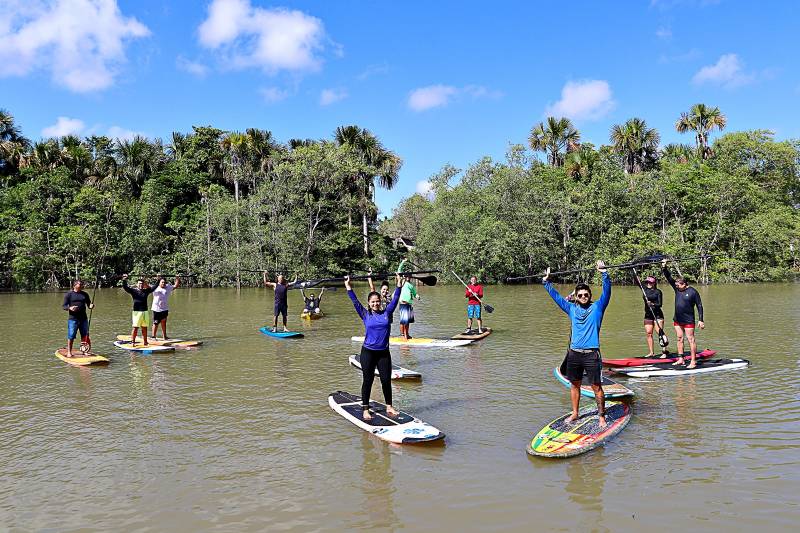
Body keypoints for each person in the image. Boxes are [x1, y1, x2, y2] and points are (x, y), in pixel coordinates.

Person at [543, 261, 611, 427]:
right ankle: (575, 413)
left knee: (596, 387)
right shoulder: (571, 309)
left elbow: (607, 292)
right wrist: (546, 282)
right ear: (575, 297)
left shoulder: (598, 307)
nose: (583, 297)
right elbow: (557, 298)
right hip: (574, 354)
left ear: (589, 294)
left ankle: (602, 415)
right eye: (579, 295)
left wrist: (604, 273)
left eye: (585, 294)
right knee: (574, 385)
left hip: (591, 354)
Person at [345, 273, 402, 421]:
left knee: (385, 380)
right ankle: (365, 409)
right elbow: (355, 301)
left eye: (377, 301)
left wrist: (399, 285)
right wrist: (348, 286)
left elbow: (395, 300)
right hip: (368, 353)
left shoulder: (387, 313)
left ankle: (389, 406)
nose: (376, 304)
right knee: (368, 380)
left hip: (383, 353)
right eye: (373, 302)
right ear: (369, 303)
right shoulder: (365, 314)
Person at [662, 259, 704, 368]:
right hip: (677, 319)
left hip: (688, 320)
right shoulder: (677, 290)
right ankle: (681, 359)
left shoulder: (693, 292)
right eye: (675, 285)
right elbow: (668, 277)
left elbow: (699, 305)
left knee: (691, 339)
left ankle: (693, 361)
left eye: (678, 285)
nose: (676, 287)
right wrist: (664, 266)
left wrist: (701, 320)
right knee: (679, 338)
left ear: (684, 284)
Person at [62, 280, 94, 357]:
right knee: (71, 335)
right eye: (80, 284)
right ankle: (69, 352)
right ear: (75, 285)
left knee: (85, 335)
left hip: (83, 318)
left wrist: (91, 306)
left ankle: (85, 351)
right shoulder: (69, 294)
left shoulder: (85, 294)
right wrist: (70, 308)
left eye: (82, 284)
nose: (82, 285)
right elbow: (64, 306)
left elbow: (89, 304)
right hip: (73, 319)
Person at [122, 274, 156, 345]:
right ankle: (133, 342)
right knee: (135, 327)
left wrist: (159, 279)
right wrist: (124, 280)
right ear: (137, 284)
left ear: (144, 285)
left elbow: (154, 288)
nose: (141, 285)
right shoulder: (133, 291)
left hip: (145, 311)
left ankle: (145, 342)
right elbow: (125, 287)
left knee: (144, 327)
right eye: (139, 283)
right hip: (136, 312)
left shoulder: (146, 291)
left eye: (142, 283)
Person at [642, 275, 666, 356]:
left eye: (650, 282)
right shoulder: (644, 290)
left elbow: (660, 304)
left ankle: (664, 351)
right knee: (649, 333)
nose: (648, 283)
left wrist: (652, 304)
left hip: (657, 314)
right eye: (647, 282)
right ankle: (651, 352)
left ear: (654, 283)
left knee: (659, 332)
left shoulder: (658, 292)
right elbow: (637, 279)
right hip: (648, 314)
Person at [151, 275, 180, 340]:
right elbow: (146, 286)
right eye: (162, 282)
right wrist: (144, 278)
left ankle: (164, 336)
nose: (163, 283)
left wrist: (177, 279)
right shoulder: (155, 288)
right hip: (156, 309)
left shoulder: (168, 287)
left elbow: (176, 286)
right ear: (159, 282)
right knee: (156, 323)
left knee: (164, 322)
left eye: (164, 282)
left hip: (164, 309)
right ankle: (153, 337)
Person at [397, 273, 420, 340]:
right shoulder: (403, 283)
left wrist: (417, 296)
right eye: (407, 276)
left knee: (408, 321)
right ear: (404, 277)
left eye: (409, 276)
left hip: (409, 304)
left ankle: (407, 334)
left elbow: (415, 293)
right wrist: (403, 262)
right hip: (403, 304)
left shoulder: (411, 286)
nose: (408, 277)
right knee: (403, 320)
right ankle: (402, 335)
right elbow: (399, 271)